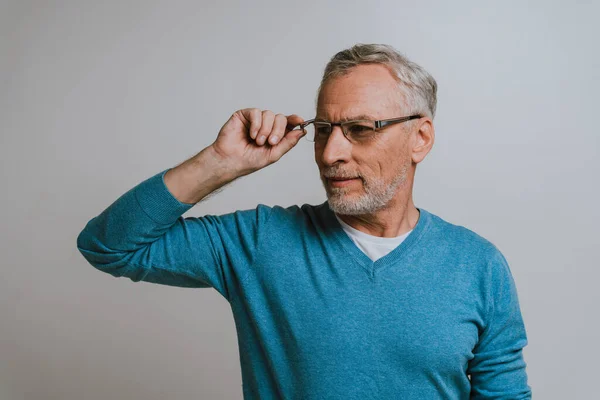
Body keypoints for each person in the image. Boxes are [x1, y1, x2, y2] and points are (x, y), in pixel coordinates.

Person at [77, 43, 532, 399]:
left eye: (359, 129)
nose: (331, 154)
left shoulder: (478, 265)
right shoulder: (259, 242)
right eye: (323, 129)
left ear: (420, 137)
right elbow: (108, 246)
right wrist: (220, 162)